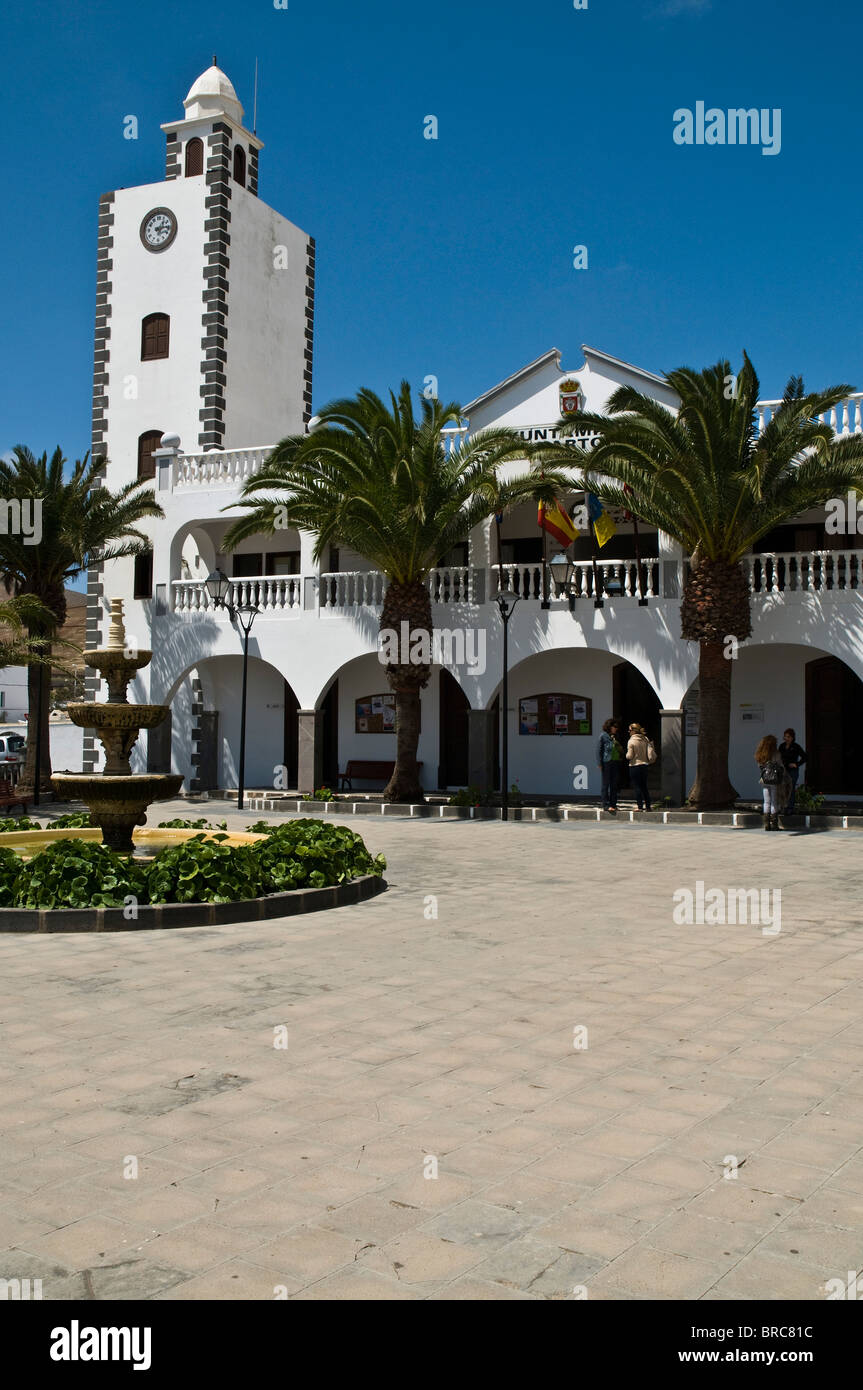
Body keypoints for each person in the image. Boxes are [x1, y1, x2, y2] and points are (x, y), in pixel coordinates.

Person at [755, 734, 789, 831]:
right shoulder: (776, 753)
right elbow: (781, 766)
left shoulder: (761, 753)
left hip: (765, 780)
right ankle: (774, 824)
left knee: (766, 801)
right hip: (775, 780)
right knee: (774, 801)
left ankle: (766, 824)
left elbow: (759, 766)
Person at [597, 717, 623, 814]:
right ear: (609, 727)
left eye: (616, 727)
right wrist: (599, 763)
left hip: (615, 762)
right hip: (607, 762)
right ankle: (606, 805)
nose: (616, 728)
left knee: (614, 784)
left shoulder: (616, 736)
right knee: (605, 784)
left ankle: (613, 804)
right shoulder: (603, 736)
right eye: (614, 726)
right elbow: (598, 750)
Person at [778, 728, 807, 814]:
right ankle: (783, 806)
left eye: (788, 737)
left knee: (791, 788)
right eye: (785, 736)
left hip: (792, 771)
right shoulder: (782, 746)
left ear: (792, 737)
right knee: (782, 788)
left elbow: (805, 757)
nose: (786, 738)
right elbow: (779, 757)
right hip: (783, 770)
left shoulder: (796, 746)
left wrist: (797, 764)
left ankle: (790, 807)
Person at [626, 722, 653, 811]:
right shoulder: (645, 739)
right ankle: (648, 806)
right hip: (644, 765)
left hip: (635, 766)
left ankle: (640, 806)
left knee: (637, 786)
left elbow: (629, 756)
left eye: (629, 730)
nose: (628, 732)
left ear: (633, 731)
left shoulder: (631, 741)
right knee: (644, 786)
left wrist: (626, 755)